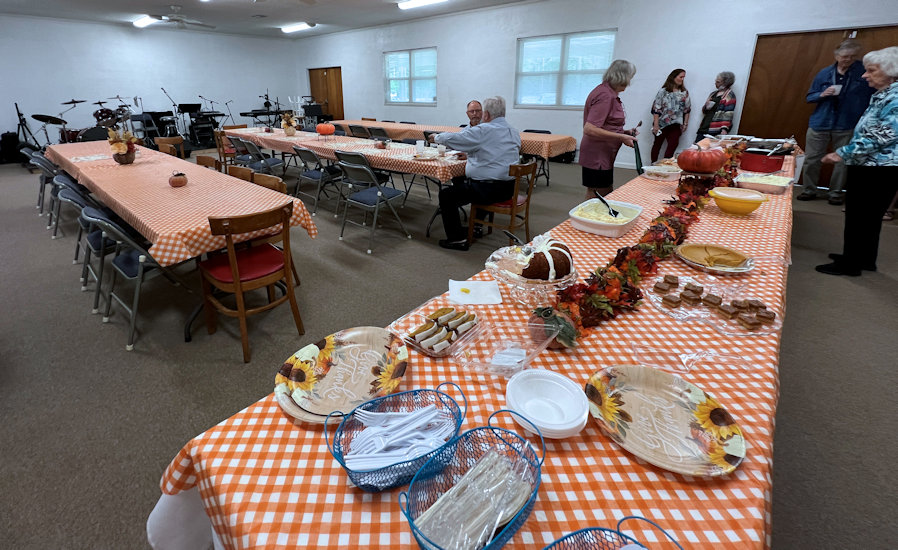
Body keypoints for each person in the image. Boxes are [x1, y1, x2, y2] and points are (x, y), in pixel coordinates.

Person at [815, 46, 898, 277]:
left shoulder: (896, 97)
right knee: (869, 217)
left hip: (878, 167)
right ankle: (864, 259)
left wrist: (843, 152)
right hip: (871, 165)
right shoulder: (885, 93)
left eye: (871, 70)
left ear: (891, 72)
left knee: (860, 216)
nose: (864, 75)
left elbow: (884, 135)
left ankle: (850, 265)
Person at [432, 96, 521, 251]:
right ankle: (476, 225)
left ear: (486, 114)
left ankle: (457, 239)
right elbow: (496, 152)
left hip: (488, 190)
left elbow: (456, 138)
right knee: (466, 181)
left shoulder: (483, 130)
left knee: (447, 195)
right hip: (509, 188)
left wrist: (436, 137)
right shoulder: (513, 131)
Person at [797, 39, 875, 205]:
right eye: (845, 56)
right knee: (812, 158)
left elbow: (873, 96)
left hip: (847, 123)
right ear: (837, 56)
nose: (848, 59)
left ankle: (835, 193)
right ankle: (809, 190)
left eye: (852, 56)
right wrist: (822, 94)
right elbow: (809, 97)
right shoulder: (824, 73)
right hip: (821, 122)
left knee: (843, 159)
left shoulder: (863, 73)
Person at [580, 59, 640, 199]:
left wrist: (624, 132)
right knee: (599, 194)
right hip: (597, 155)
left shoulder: (608, 93)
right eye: (630, 77)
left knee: (603, 192)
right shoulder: (605, 95)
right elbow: (590, 129)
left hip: (604, 154)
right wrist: (621, 137)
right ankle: (588, 214)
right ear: (623, 77)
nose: (629, 82)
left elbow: (607, 125)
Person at [650, 68, 691, 162]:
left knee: (673, 145)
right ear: (673, 77)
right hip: (661, 123)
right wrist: (656, 125)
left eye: (684, 77)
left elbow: (687, 109)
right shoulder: (663, 91)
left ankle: (665, 165)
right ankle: (652, 164)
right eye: (681, 77)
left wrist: (685, 124)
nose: (682, 79)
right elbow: (656, 108)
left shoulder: (684, 93)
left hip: (676, 124)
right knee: (657, 145)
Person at [695, 71, 737, 141]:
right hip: (704, 126)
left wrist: (724, 129)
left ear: (725, 83)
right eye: (716, 81)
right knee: (697, 146)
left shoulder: (729, 95)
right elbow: (704, 111)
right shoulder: (713, 94)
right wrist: (706, 106)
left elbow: (728, 113)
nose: (715, 83)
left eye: (718, 82)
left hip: (716, 129)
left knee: (710, 147)